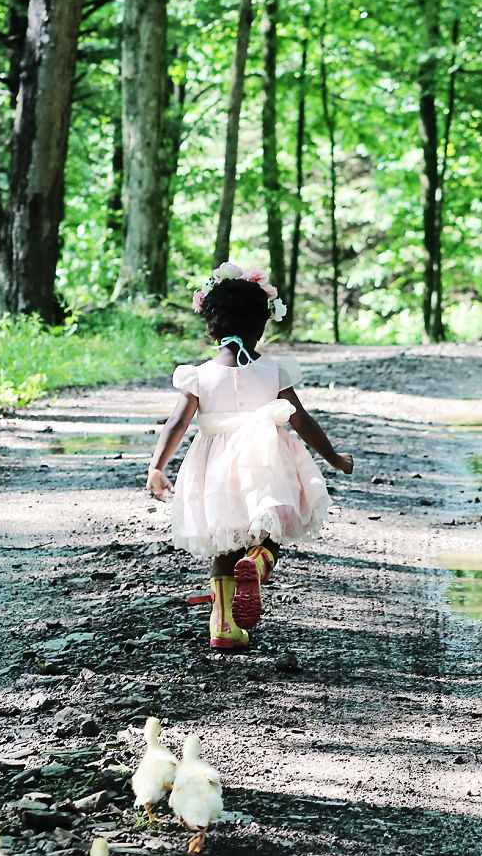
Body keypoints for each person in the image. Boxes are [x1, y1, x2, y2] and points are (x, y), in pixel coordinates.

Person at [146, 262, 354, 650]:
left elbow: (177, 423)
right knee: (272, 528)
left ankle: (223, 627)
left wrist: (157, 467)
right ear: (262, 325)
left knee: (224, 542)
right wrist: (333, 458)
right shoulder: (273, 371)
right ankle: (258, 562)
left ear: (211, 327)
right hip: (267, 461)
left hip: (214, 469)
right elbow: (301, 420)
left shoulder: (199, 375)